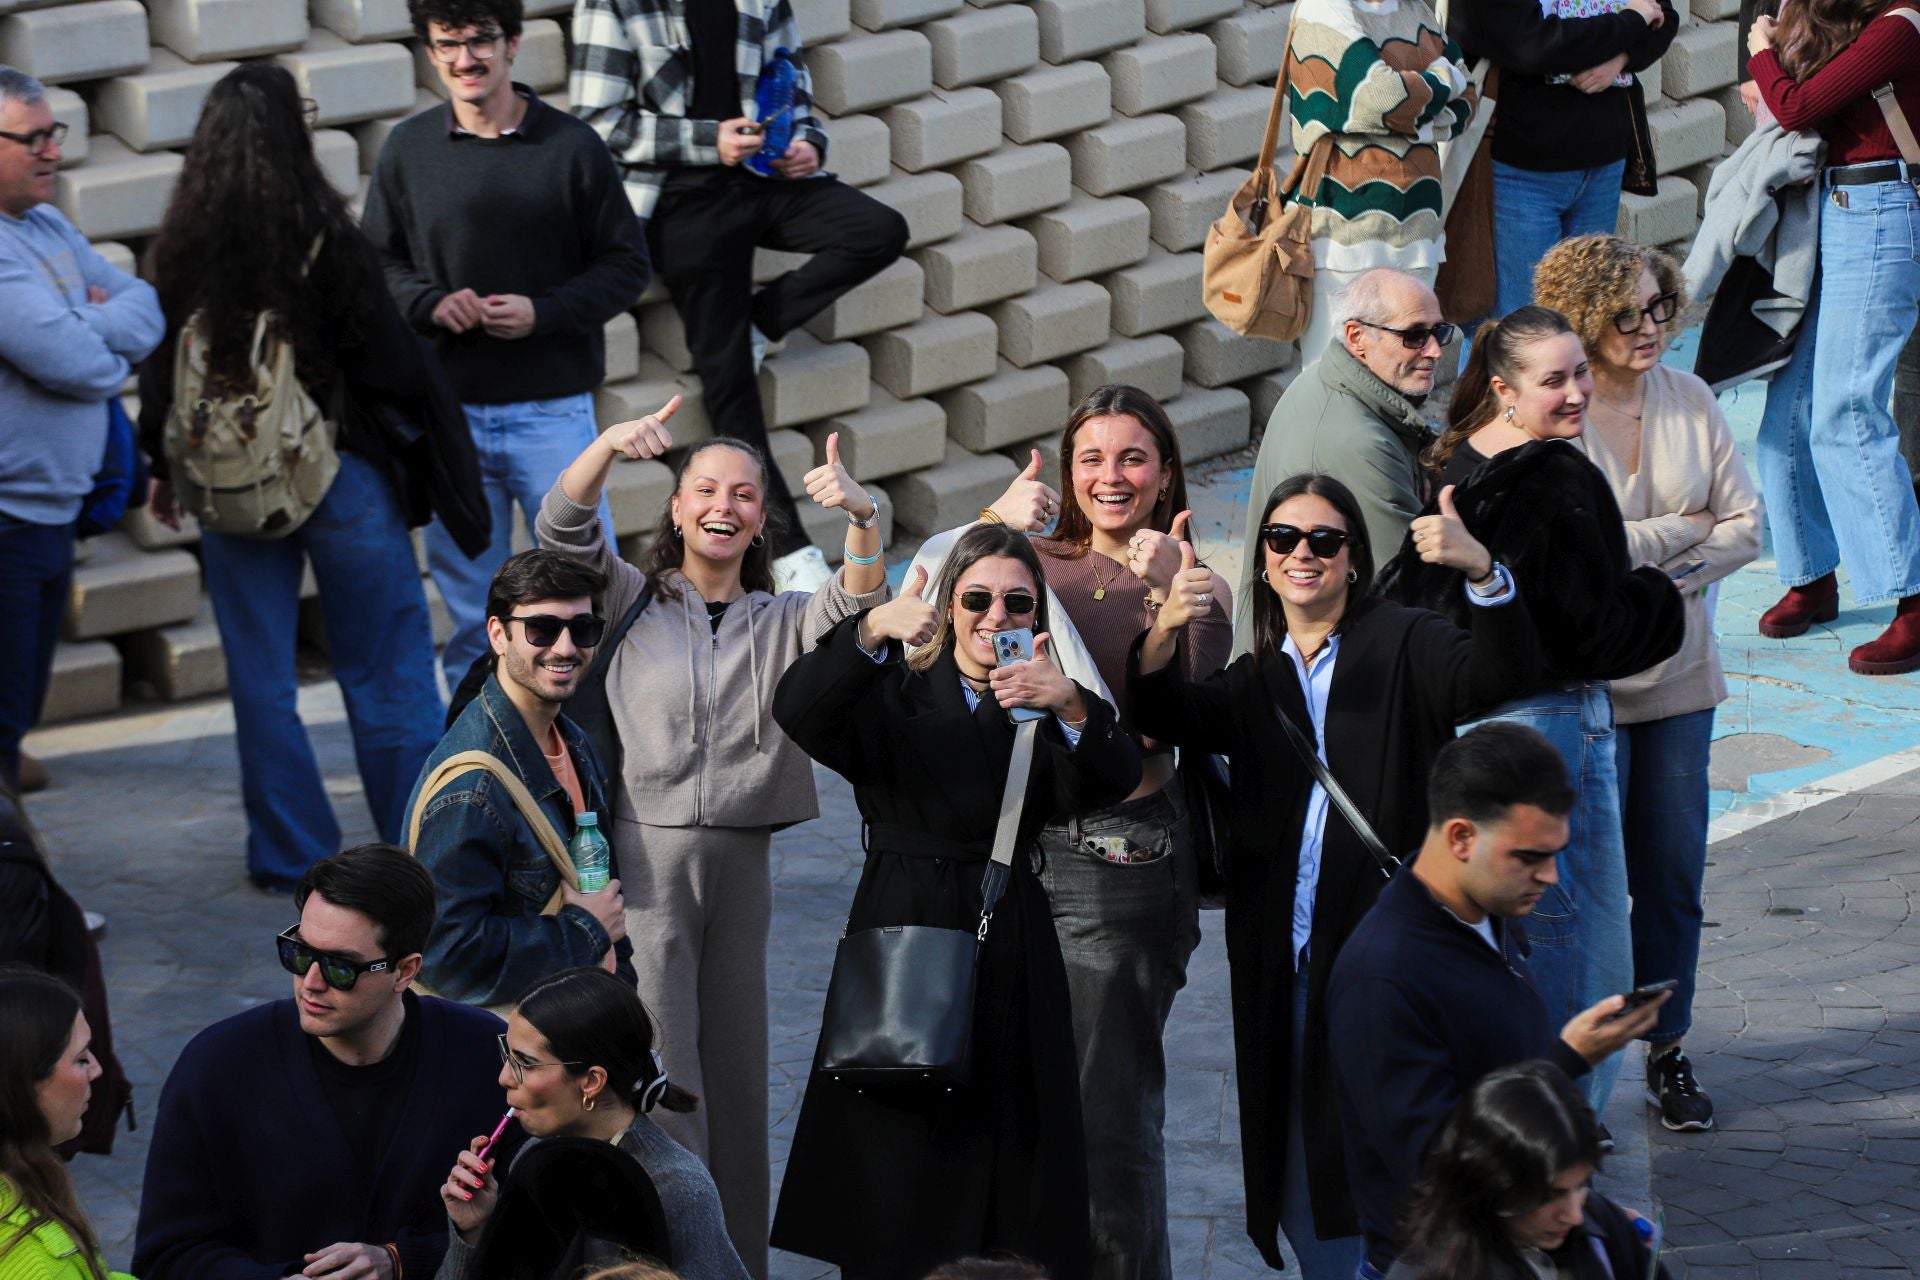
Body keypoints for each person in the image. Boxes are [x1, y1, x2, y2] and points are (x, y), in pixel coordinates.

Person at [1127, 473, 1537, 1278]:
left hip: (1389, 955)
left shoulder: (1407, 640)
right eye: (1282, 539)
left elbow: (1496, 676)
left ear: (1354, 558)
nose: (1302, 554)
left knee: (1394, 1144)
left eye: (1324, 540)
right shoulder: (1258, 679)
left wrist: (1484, 571)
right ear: (1264, 560)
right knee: (1300, 1148)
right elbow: (1162, 713)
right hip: (1289, 955)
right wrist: (1164, 625)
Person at [533, 403, 888, 1278]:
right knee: (661, 1068)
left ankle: (737, 1266)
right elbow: (561, 525)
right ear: (680, 510)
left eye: (743, 492)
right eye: (704, 489)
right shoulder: (626, 599)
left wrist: (863, 514)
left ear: (761, 518)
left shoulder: (784, 617)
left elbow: (859, 601)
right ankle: (659, 1259)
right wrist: (610, 446)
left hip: (743, 860)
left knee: (736, 1075)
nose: (723, 504)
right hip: (644, 858)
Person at [139, 62, 484, 893]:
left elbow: (162, 375)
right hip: (339, 477)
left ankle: (289, 852)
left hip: (226, 489)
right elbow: (390, 368)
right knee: (388, 667)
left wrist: (164, 465)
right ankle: (411, 852)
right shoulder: (327, 241)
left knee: (260, 676)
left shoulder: (180, 246)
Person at [769, 524, 1141, 1280]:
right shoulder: (895, 690)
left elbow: (1111, 779)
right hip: (902, 923)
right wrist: (870, 625)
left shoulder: (1041, 704)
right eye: (975, 599)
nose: (994, 618)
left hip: (1008, 934)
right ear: (947, 604)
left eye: (1016, 603)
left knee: (1008, 1141)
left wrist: (1071, 703)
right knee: (894, 1135)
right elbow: (799, 710)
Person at [1379, 305, 1683, 1113]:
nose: (1578, 392)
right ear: (1506, 391)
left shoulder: (1449, 462)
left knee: (1508, 937)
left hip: (1473, 735)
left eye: (1581, 371)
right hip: (1554, 729)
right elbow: (1592, 634)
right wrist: (1659, 600)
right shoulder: (1559, 476)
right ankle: (1551, 1133)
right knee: (1583, 954)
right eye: (1555, 380)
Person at [1534, 234, 1763, 1132]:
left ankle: (1668, 1048)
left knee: (1671, 878)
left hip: (1681, 680)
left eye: (1659, 307)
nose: (1650, 328)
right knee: (1582, 885)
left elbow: (1745, 527)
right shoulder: (1561, 415)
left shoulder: (1691, 396)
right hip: (1587, 685)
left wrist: (1653, 567)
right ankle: (1574, 1061)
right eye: (1625, 315)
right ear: (1586, 323)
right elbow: (1573, 543)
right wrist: (1680, 532)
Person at [570, 0, 909, 592]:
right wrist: (709, 140)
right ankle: (791, 555)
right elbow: (599, 123)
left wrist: (806, 144)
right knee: (732, 391)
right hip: (679, 200)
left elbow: (792, 84)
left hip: (763, 181)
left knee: (878, 230)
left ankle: (757, 323)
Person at [364, 0, 650, 689]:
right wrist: (431, 303)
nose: (466, 59)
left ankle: (595, 759)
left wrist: (543, 312)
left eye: (480, 40)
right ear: (430, 52)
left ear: (513, 43)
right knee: (472, 612)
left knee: (586, 599)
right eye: (448, 44)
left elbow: (626, 265)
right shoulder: (407, 149)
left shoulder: (573, 147)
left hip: (553, 414)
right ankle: (475, 764)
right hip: (450, 417)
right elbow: (374, 266)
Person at [1324, 724, 1666, 1279]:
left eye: (1555, 854)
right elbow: (1434, 1166)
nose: (1550, 877)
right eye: (1530, 856)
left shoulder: (1484, 911)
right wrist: (1566, 1060)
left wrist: (1580, 1212)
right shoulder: (1382, 979)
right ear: (1461, 838)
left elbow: (1494, 1092)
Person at [135, 845, 515, 1280]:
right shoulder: (216, 1065)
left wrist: (402, 1260)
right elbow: (164, 1258)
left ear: (406, 971)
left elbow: (539, 1229)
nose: (310, 983)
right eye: (298, 954)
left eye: (340, 969)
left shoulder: (486, 1056)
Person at [0, 66, 163, 795]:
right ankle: (27, 901)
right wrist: (93, 331)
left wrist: (83, 323)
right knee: (5, 706)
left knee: (19, 698)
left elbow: (146, 309)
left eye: (52, 134)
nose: (51, 152)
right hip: (8, 518)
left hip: (48, 513)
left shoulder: (46, 225)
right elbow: (82, 367)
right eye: (30, 139)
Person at [1746, 0, 1920, 674]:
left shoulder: (1899, 25)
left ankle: (1910, 599)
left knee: (1847, 409)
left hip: (1878, 213)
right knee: (1785, 405)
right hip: (1817, 209)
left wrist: (1762, 53)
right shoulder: (1833, 17)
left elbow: (1796, 105)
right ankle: (1811, 574)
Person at [408, 549, 632, 1007]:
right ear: (498, 634)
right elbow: (446, 957)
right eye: (542, 629)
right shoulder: (472, 789)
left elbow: (599, 893)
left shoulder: (570, 739)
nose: (566, 647)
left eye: (583, 629)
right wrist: (583, 930)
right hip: (514, 1058)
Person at [438, 967, 747, 1280]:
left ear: (591, 1081)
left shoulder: (677, 1186)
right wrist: (477, 1231)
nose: (504, 1077)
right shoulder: (538, 1157)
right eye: (508, 1054)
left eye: (526, 1064)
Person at [1235, 269, 1451, 656]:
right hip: (1320, 689)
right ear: (1357, 338)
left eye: (1440, 333)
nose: (1434, 349)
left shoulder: (1322, 379)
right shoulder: (1360, 445)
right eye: (1414, 335)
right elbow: (1412, 590)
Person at [1446, 0, 1676, 318]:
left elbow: (1663, 16)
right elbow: (1530, 44)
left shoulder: (1624, 38)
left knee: (1589, 319)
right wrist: (1629, 24)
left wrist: (1622, 58)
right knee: (1518, 326)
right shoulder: (1627, 23)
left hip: (1603, 164)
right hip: (1519, 170)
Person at [1281, 0, 1474, 361]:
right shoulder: (1325, 9)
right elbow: (1381, 96)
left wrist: (1410, 117)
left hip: (1419, 232)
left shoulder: (1416, 10)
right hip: (1344, 234)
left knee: (1411, 372)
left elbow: (1467, 105)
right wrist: (1445, 77)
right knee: (1333, 376)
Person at [1388, 1062, 1673, 1280]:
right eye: (1551, 1195)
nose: (1573, 1215)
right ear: (1493, 1182)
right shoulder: (1430, 1271)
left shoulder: (1598, 1224)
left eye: (1580, 1186)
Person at [0, 967, 124, 1280]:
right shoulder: (37, 1265)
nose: (96, 1070)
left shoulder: (19, 1176)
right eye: (81, 1058)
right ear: (25, 1084)